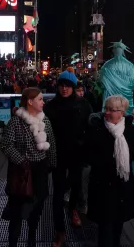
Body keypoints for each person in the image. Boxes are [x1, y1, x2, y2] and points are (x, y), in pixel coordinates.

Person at [1, 87, 57, 247]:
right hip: (21, 172)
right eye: (40, 99)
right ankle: (13, 241)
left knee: (37, 209)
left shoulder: (45, 120)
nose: (43, 102)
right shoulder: (16, 121)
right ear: (30, 102)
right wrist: (21, 160)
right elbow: (6, 145)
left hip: (40, 170)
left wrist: (52, 164)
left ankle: (31, 238)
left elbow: (51, 144)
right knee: (17, 211)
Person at [44, 70, 92, 247]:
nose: (64, 88)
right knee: (57, 193)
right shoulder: (51, 106)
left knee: (75, 186)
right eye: (61, 85)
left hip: (77, 155)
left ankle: (73, 210)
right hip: (57, 156)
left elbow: (90, 128)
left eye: (68, 86)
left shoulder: (83, 105)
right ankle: (59, 231)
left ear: (73, 87)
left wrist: (85, 146)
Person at [86, 95, 134, 247]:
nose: (107, 113)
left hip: (123, 186)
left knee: (118, 226)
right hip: (102, 186)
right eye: (106, 109)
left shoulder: (129, 130)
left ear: (121, 112)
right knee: (105, 228)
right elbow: (88, 154)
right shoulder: (97, 128)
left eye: (112, 110)